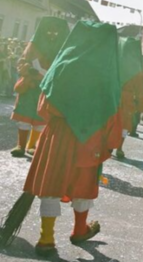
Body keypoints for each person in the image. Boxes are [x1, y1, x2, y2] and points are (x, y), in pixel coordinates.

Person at [0, 21, 122, 257]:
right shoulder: (107, 73)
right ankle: (79, 229)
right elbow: (112, 114)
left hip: (58, 135)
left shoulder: (63, 65)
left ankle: (46, 239)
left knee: (51, 184)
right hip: (91, 139)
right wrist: (110, 141)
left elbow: (44, 106)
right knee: (83, 186)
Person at [10, 17, 69, 157]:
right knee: (24, 116)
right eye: (49, 31)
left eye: (55, 31)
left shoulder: (63, 48)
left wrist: (46, 74)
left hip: (47, 88)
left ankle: (32, 145)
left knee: (40, 116)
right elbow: (22, 62)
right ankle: (21, 144)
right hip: (29, 86)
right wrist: (27, 68)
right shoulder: (33, 45)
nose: (52, 34)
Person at [114, 37, 143, 159]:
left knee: (111, 123)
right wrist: (140, 106)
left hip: (113, 97)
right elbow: (141, 88)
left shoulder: (115, 62)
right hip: (127, 100)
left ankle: (108, 145)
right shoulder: (136, 68)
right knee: (124, 126)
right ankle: (119, 147)